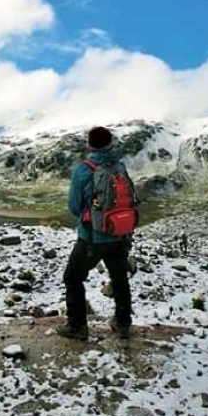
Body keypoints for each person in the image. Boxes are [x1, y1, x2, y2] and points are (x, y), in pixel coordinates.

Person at [57, 126, 134, 341]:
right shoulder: (120, 166)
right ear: (110, 144)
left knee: (72, 277)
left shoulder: (84, 169)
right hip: (120, 234)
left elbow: (74, 206)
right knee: (119, 277)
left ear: (89, 145)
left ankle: (77, 326)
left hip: (93, 237)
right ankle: (123, 323)